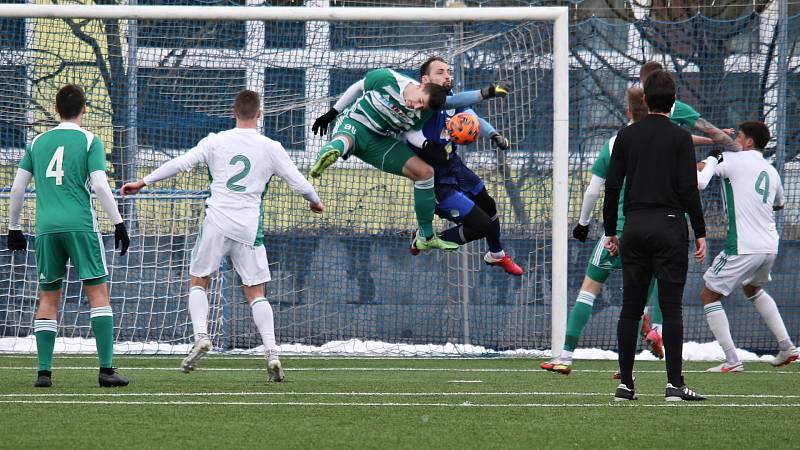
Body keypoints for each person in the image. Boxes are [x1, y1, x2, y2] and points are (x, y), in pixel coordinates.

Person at [121, 90, 324, 382]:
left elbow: (181, 162)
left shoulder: (215, 141)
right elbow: (299, 181)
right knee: (256, 292)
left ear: (233, 112)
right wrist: (315, 200)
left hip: (216, 222)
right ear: (259, 114)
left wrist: (143, 181)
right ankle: (271, 352)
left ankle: (201, 336)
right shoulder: (271, 147)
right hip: (247, 227)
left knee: (199, 281)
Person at [7, 84, 130, 388]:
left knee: (48, 296)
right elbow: (101, 186)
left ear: (55, 108)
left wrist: (13, 227)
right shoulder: (90, 140)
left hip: (47, 228)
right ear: (84, 109)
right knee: (98, 293)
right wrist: (119, 223)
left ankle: (44, 372)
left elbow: (17, 189)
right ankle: (106, 369)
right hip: (80, 226)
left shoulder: (37, 142)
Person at [310, 68, 504, 252]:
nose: (417, 106)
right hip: (356, 124)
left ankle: (426, 237)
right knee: (345, 140)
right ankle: (327, 155)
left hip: (379, 142)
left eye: (422, 106)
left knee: (425, 173)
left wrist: (427, 145)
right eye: (419, 100)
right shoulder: (387, 79)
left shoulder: (423, 110)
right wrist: (332, 113)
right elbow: (359, 87)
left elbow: (416, 130)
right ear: (421, 84)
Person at [603, 70, 707, 401]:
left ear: (645, 101)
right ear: (673, 102)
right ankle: (675, 385)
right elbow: (689, 189)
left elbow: (613, 186)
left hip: (633, 226)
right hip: (670, 225)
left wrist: (610, 231)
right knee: (671, 308)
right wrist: (701, 231)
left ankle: (625, 384)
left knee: (630, 308)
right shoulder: (680, 138)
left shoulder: (626, 136)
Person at [696, 121, 798, 372]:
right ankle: (787, 347)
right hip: (769, 246)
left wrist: (711, 157)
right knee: (752, 288)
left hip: (743, 245)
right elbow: (779, 205)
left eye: (738, 136)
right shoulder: (771, 170)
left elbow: (699, 181)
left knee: (709, 295)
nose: (734, 139)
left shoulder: (730, 158)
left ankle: (732, 360)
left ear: (749, 141)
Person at [408, 56, 522, 275]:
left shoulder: (451, 98)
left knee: (489, 205)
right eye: (440, 72)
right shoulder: (418, 102)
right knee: (482, 226)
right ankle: (423, 238)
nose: (447, 75)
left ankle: (496, 254)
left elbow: (471, 116)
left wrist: (493, 134)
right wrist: (486, 92)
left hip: (455, 166)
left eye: (449, 71)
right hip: (435, 181)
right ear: (425, 79)